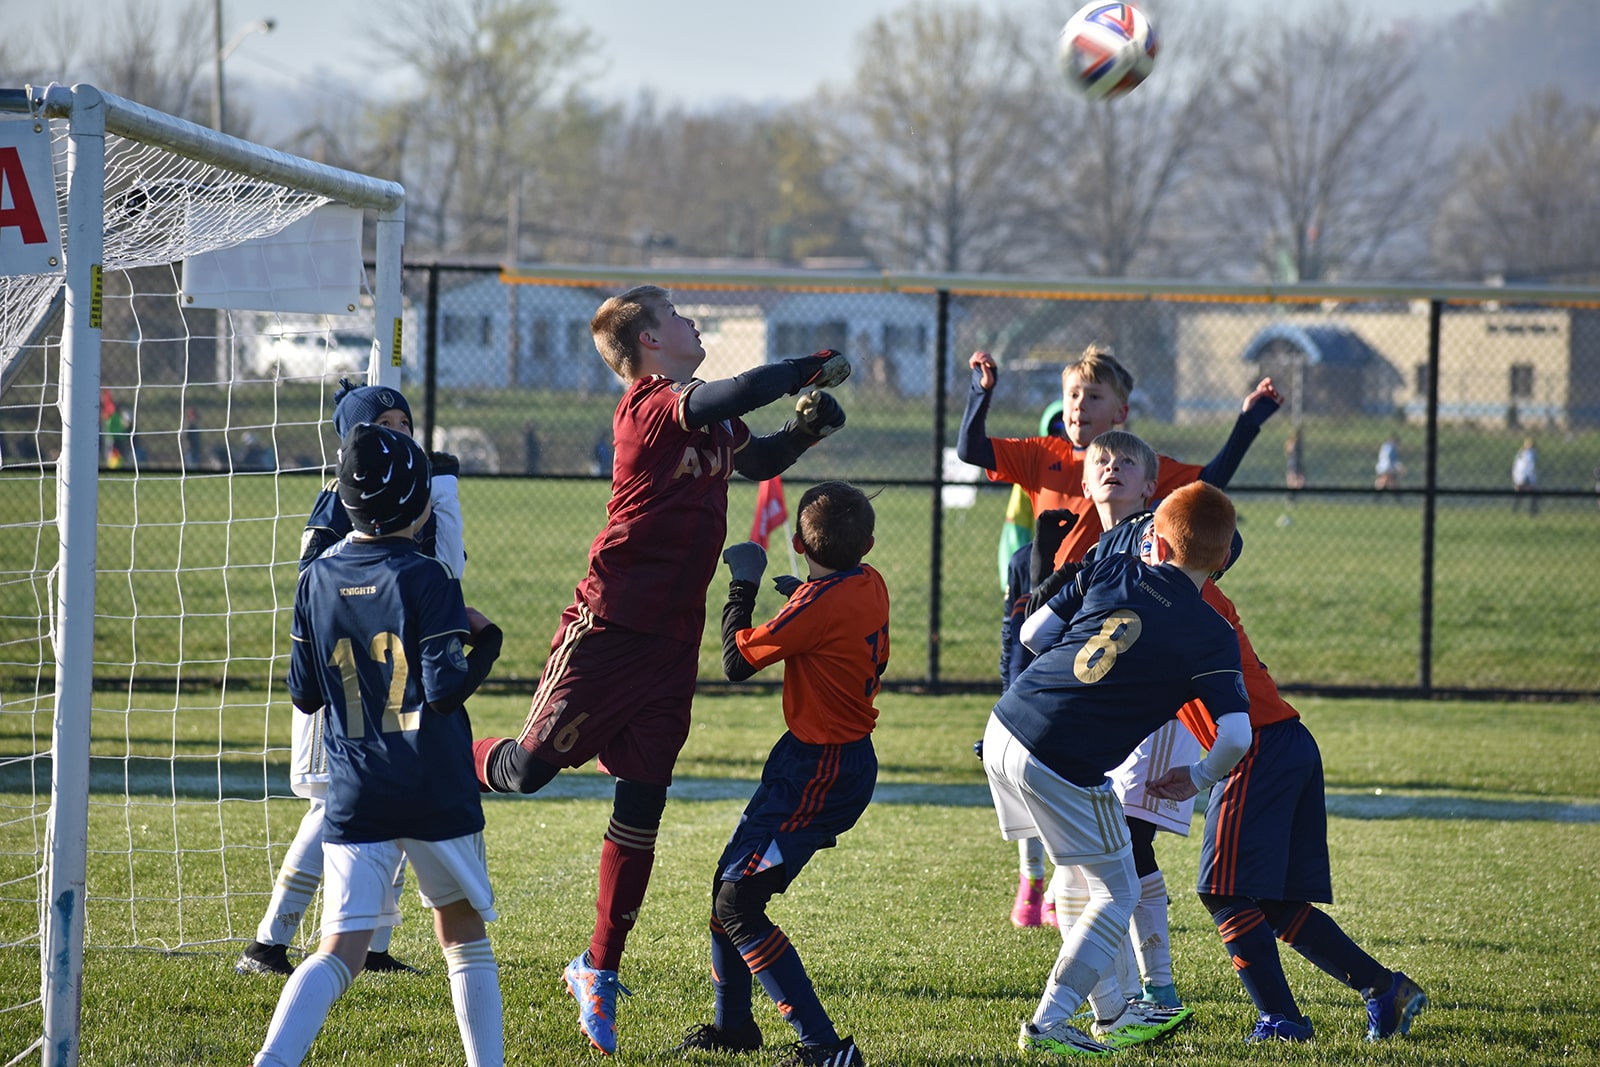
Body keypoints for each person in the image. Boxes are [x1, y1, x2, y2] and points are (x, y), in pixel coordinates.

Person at [471, 285, 852, 1055]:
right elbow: (742, 388)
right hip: (608, 630)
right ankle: (439, 743)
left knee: (641, 804)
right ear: (649, 343)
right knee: (525, 770)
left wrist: (803, 431)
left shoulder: (702, 412)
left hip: (670, 644)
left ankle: (599, 966)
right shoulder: (648, 405)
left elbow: (759, 456)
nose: (695, 323)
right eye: (679, 317)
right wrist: (808, 365)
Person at [963, 347, 1276, 950]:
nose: (1078, 407)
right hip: (1062, 631)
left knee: (1125, 832)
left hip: (1128, 652)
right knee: (1042, 766)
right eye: (1072, 396)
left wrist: (1248, 422)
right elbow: (972, 452)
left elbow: (1212, 504)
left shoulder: (1145, 512)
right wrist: (981, 396)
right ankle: (1044, 885)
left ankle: (1141, 979)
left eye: (1093, 396)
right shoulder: (1049, 456)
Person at [249, 423, 505, 1067]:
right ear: (417, 499)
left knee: (339, 948)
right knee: (462, 934)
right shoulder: (428, 577)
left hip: (356, 786)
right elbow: (445, 690)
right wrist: (490, 644)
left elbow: (306, 696)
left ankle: (271, 1061)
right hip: (432, 783)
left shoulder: (315, 579)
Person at [988, 482, 1253, 1056]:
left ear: (1153, 538)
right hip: (1060, 757)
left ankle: (1113, 1012)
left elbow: (1033, 634)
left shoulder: (1114, 568)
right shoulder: (1211, 632)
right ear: (1223, 557)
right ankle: (1050, 1023)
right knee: (1119, 890)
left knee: (1088, 878)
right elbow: (1236, 734)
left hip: (1004, 726)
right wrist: (1199, 778)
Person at [1146, 558, 1428, 1045]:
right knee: (1272, 901)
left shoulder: (1183, 596)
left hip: (1258, 748)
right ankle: (1385, 990)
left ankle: (1282, 1019)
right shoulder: (1184, 593)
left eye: (1149, 539)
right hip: (1283, 743)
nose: (1141, 551)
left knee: (1222, 890)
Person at [237, 379, 465, 979]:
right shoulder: (341, 499)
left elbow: (448, 570)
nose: (397, 438)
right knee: (330, 809)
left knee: (387, 803)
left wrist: (443, 498)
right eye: (381, 427)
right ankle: (269, 941)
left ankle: (375, 947)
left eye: (404, 426)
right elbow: (317, 583)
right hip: (342, 682)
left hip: (394, 682)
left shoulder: (416, 496)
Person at [675, 481, 888, 1067]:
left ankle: (824, 1048)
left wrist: (742, 581)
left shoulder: (815, 606)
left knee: (738, 901)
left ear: (796, 540)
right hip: (828, 762)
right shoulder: (870, 581)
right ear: (868, 544)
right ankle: (734, 1028)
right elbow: (832, 617)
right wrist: (802, 595)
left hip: (819, 770)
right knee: (729, 886)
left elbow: (737, 661)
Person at [1512, 437, 1538, 514]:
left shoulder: (1532, 453)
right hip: (1522, 476)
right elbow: (1519, 467)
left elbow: (1531, 467)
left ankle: (1532, 511)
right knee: (1520, 494)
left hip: (1527, 476)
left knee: (1531, 493)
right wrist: (1517, 479)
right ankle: (1515, 511)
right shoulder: (1523, 453)